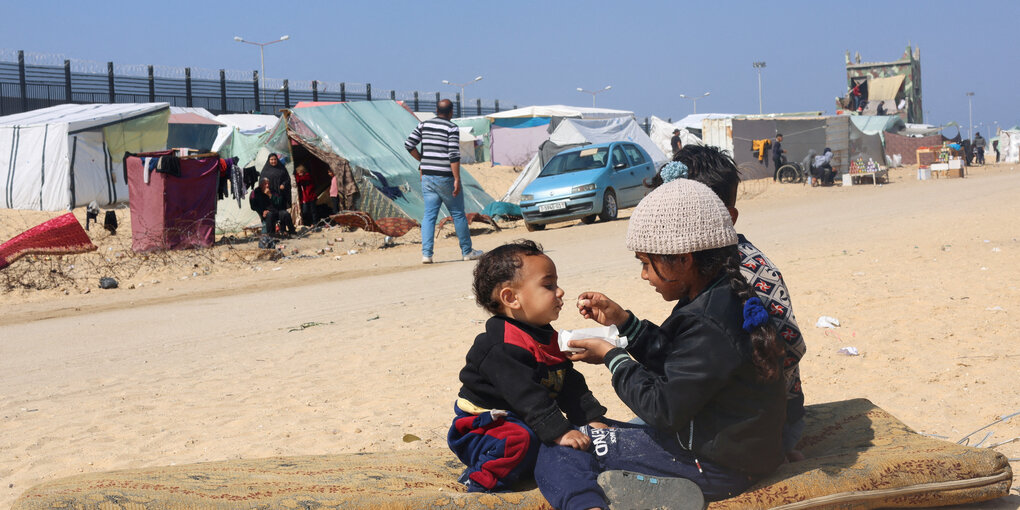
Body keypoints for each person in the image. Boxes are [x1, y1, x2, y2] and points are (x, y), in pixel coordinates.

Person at [535, 179, 787, 510]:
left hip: (717, 465)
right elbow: (681, 361)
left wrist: (613, 357)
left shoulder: (709, 321)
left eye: (645, 262)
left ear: (683, 259)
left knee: (561, 446)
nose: (644, 275)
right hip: (734, 451)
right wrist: (624, 322)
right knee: (592, 432)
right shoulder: (718, 296)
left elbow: (662, 409)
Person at [670, 144, 807, 462]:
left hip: (764, 426)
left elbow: (790, 346)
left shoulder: (752, 271)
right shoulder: (694, 267)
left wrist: (769, 426)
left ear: (727, 217)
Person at [448, 240, 608, 495]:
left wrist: (591, 418)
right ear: (511, 298)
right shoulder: (501, 345)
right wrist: (560, 431)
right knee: (520, 440)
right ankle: (479, 482)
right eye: (549, 285)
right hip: (482, 427)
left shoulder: (544, 334)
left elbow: (568, 382)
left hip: (524, 417)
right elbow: (526, 395)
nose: (560, 292)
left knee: (570, 437)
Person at [405, 99, 483, 264]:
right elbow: (453, 155)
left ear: (436, 110)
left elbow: (409, 144)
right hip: (445, 177)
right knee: (457, 214)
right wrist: (456, 178)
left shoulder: (423, 125)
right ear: (451, 112)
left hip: (427, 176)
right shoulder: (451, 128)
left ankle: (427, 255)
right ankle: (467, 251)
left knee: (429, 216)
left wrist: (422, 161)